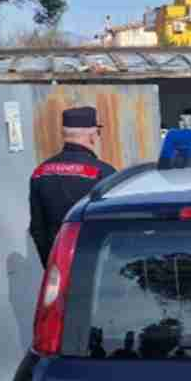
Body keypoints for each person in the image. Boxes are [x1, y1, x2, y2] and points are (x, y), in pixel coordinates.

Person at [29, 106, 117, 265]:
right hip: (95, 265)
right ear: (91, 136)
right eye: (98, 132)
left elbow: (37, 229)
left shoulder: (40, 172)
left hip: (58, 265)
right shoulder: (104, 173)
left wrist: (51, 264)